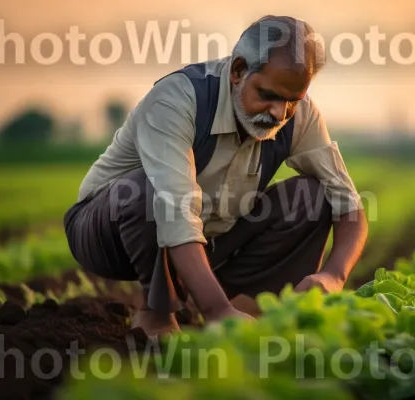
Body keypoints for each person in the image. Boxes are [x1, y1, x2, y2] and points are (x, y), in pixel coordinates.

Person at [63, 15, 368, 337]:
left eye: (292, 101)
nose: (279, 113)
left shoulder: (299, 114)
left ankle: (248, 316)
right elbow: (176, 211)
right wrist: (215, 310)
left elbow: (347, 202)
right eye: (267, 95)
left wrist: (333, 275)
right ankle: (158, 315)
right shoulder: (178, 99)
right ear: (238, 71)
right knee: (145, 191)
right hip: (107, 232)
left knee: (312, 197)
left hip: (206, 238)